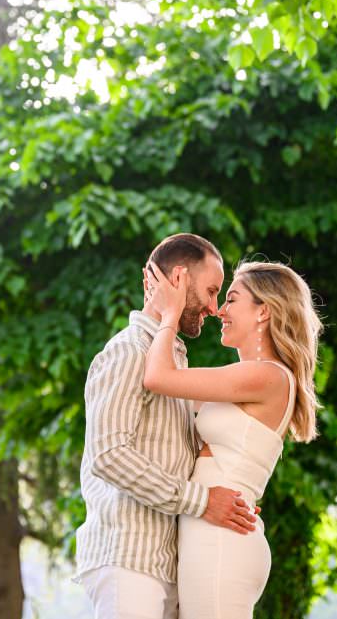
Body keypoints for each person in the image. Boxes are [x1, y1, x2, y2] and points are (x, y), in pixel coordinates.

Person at [76, 233, 259, 619]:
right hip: (127, 558)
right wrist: (204, 501)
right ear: (177, 280)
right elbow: (108, 456)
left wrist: (232, 495)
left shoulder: (171, 362)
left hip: (165, 562)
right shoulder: (128, 352)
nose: (214, 308)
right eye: (210, 292)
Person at [142, 259, 322, 619]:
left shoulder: (264, 375)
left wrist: (169, 314)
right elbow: (170, 396)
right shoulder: (248, 379)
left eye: (232, 300)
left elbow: (158, 377)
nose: (219, 310)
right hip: (214, 533)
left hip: (220, 541)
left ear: (263, 312)